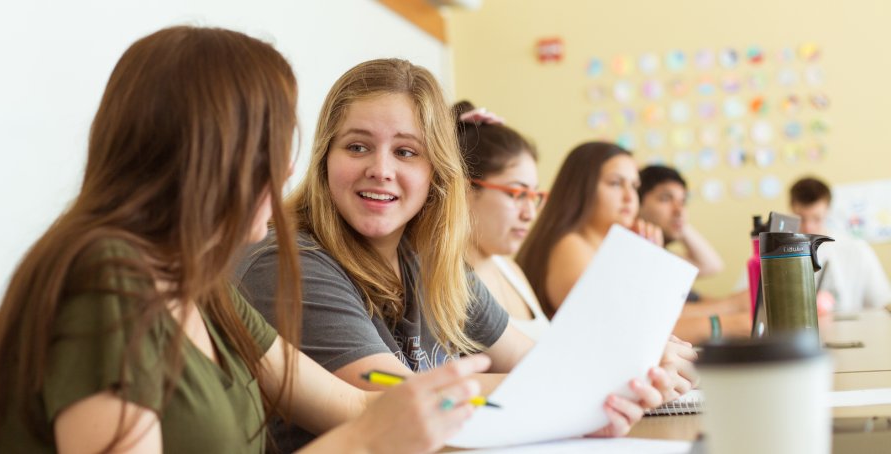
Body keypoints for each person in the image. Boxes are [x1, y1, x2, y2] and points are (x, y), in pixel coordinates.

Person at [0, 26, 493, 454]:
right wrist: (363, 444)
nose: (287, 169)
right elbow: (362, 428)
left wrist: (445, 400)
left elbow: (354, 405)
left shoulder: (200, 284)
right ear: (217, 154)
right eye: (277, 143)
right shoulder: (106, 281)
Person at [238, 59, 688, 451]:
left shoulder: (429, 258)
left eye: (406, 152)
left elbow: (537, 362)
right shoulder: (287, 262)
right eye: (357, 146)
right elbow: (403, 406)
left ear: (437, 170)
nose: (381, 168)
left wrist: (627, 366)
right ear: (324, 160)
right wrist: (595, 382)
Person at [516, 141, 664, 317]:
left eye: (634, 186)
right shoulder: (570, 245)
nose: (629, 196)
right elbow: (617, 322)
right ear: (581, 189)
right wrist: (646, 262)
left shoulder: (600, 247)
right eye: (616, 183)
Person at [453, 100, 549, 339]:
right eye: (516, 194)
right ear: (465, 192)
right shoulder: (451, 284)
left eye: (534, 196)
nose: (530, 214)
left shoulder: (509, 268)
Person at [636, 165, 749, 341]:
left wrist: (678, 220)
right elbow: (659, 316)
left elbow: (712, 266)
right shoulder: (637, 257)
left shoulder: (661, 256)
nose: (679, 209)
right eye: (666, 199)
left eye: (683, 202)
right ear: (637, 202)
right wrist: (733, 306)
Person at [789, 176, 891, 312]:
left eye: (817, 218)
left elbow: (881, 302)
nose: (808, 227)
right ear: (791, 209)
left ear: (828, 210)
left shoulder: (857, 249)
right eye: (801, 219)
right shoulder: (778, 251)